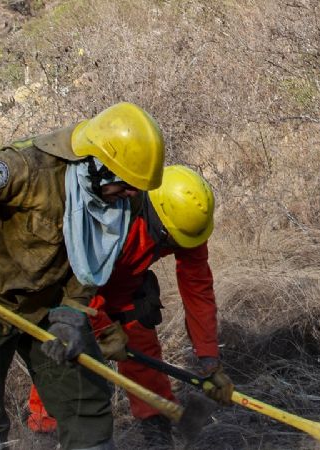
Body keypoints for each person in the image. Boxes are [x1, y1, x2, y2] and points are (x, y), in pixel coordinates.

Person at [0, 102, 165, 450]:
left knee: (86, 400)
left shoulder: (125, 198)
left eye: (137, 187)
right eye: (127, 185)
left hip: (48, 305)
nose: (133, 195)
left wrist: (74, 310)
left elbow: (96, 256)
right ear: (97, 166)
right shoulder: (27, 170)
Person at [25, 165, 235, 448]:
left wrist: (208, 357)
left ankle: (155, 427)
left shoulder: (187, 223)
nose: (173, 246)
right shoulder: (112, 212)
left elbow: (197, 289)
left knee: (141, 337)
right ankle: (44, 430)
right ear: (154, 213)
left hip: (125, 289)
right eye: (168, 240)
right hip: (76, 295)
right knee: (67, 350)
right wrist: (103, 329)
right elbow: (77, 275)